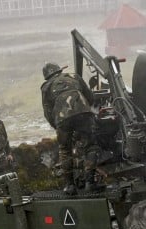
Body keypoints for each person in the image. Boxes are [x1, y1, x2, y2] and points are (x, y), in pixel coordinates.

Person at [40, 62, 101, 194]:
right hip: (83, 113)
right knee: (91, 146)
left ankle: (70, 186)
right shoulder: (74, 76)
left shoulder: (46, 86)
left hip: (62, 119)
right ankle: (90, 183)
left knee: (65, 150)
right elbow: (90, 97)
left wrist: (56, 125)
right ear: (59, 70)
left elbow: (47, 111)